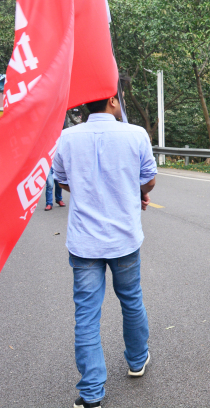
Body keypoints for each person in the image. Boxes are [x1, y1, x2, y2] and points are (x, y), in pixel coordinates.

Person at [52, 87, 157, 408]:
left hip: (84, 244)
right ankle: (137, 360)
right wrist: (136, 191)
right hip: (124, 238)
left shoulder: (67, 138)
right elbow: (149, 178)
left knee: (86, 315)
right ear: (112, 100)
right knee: (131, 300)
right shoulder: (135, 134)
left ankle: (91, 394)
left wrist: (84, 190)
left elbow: (62, 180)